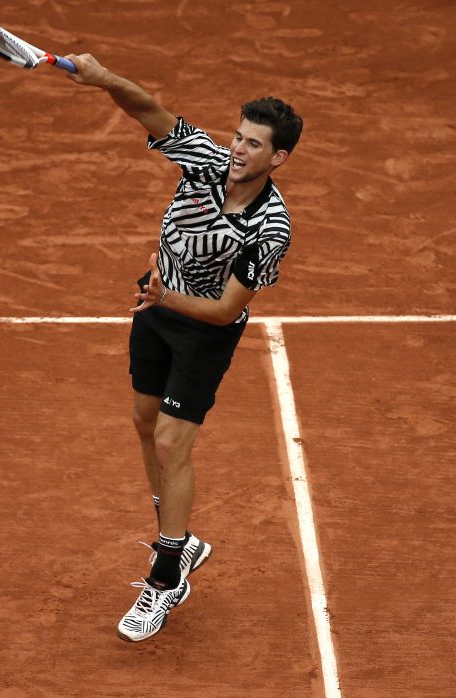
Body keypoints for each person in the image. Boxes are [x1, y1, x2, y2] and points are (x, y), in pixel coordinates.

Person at [65, 53, 303, 642]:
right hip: (157, 307)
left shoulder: (272, 228)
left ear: (278, 158)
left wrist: (164, 295)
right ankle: (183, 538)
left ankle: (166, 574)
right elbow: (150, 110)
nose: (238, 150)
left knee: (174, 441)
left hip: (203, 331)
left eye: (253, 144)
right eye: (237, 137)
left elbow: (227, 308)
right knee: (145, 422)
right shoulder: (203, 163)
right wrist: (104, 80)